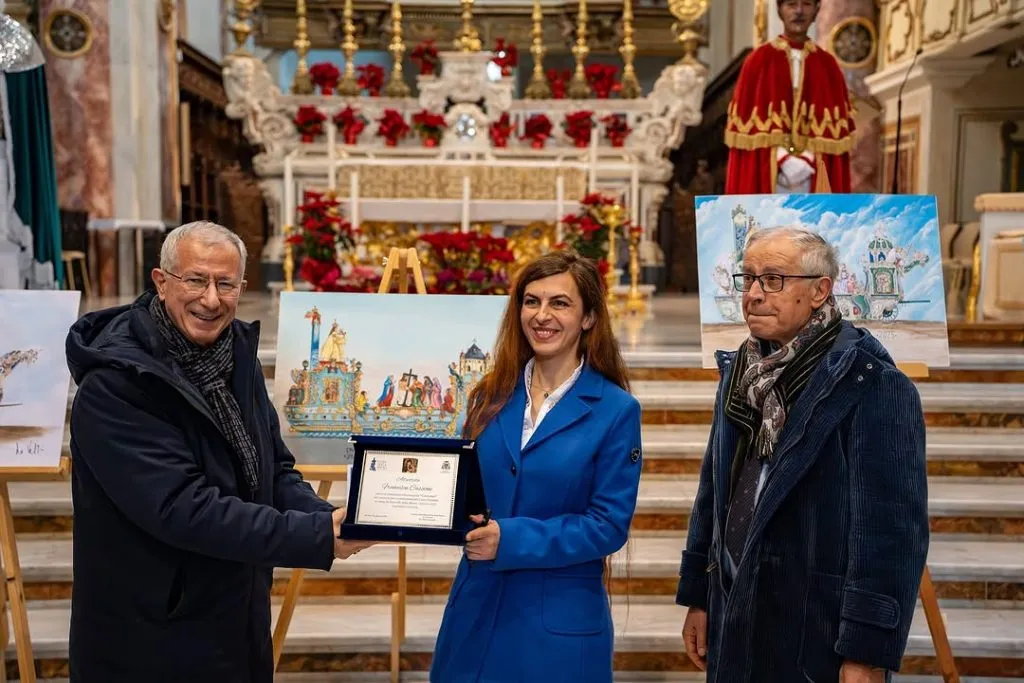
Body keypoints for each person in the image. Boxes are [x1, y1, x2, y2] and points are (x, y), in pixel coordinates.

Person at [65, 221, 372, 682]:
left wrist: (329, 517)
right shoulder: (116, 385)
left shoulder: (235, 357)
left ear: (242, 289)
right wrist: (315, 535)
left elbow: (273, 469)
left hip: (233, 624)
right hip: (150, 641)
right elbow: (182, 508)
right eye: (195, 280)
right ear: (161, 282)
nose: (211, 299)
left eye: (225, 284)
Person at [676, 227, 929, 682]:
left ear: (819, 291)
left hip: (814, 634)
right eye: (748, 278)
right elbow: (713, 494)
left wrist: (865, 653)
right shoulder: (742, 372)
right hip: (734, 614)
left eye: (773, 279)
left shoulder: (872, 384)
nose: (754, 294)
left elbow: (890, 535)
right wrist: (699, 594)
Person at [429, 250, 643, 683]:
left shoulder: (616, 410)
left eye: (559, 303)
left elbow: (607, 526)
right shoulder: (488, 396)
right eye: (531, 301)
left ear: (588, 318)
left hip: (556, 630)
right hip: (475, 616)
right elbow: (462, 492)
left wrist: (510, 539)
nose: (542, 316)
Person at [723, 0, 855, 194]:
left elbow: (836, 141)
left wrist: (808, 157)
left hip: (814, 178)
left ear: (817, 9)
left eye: (806, 4)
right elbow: (745, 137)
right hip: (768, 178)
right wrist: (782, 158)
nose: (799, 11)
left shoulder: (829, 67)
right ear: (779, 9)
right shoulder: (757, 62)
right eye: (791, 4)